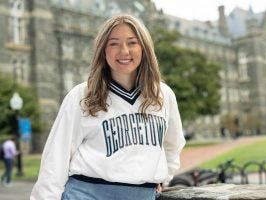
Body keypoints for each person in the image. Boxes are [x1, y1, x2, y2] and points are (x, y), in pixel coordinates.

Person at [30, 14, 186, 200]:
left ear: (144, 48)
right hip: (87, 193)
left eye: (132, 42)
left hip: (144, 195)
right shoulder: (82, 95)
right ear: (103, 50)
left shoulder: (163, 94)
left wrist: (163, 178)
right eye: (113, 43)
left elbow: (173, 145)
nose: (124, 51)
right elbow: (56, 157)